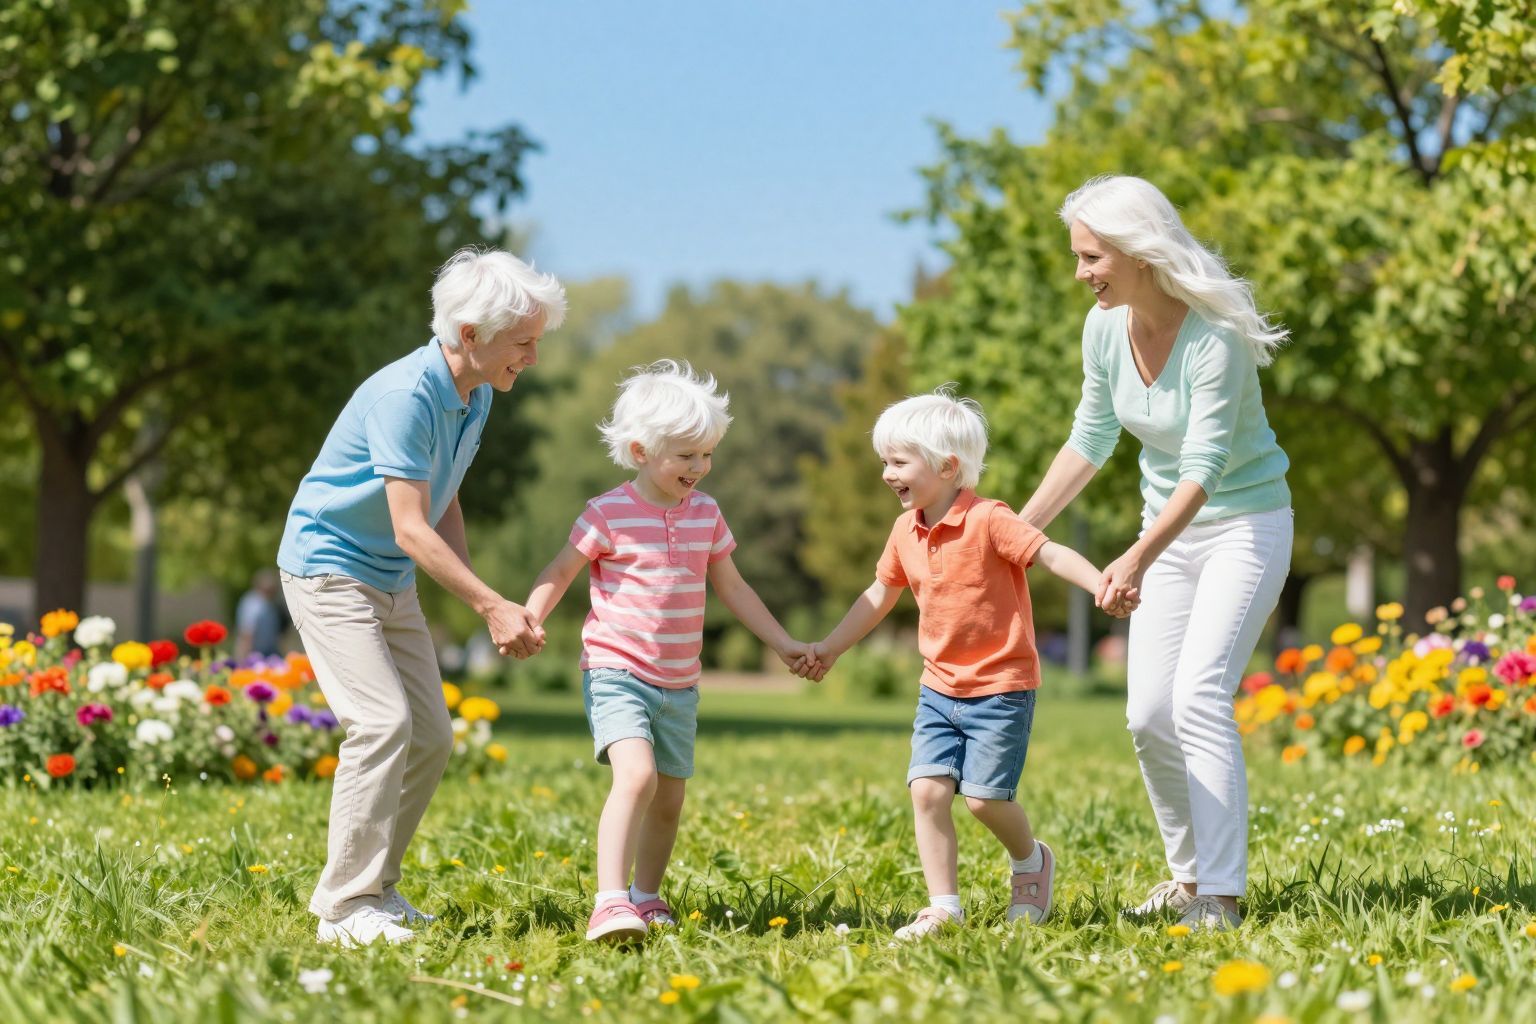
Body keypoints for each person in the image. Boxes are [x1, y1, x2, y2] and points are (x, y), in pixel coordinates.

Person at [1019, 175, 1293, 931]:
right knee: (1146, 714)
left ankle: (1222, 896)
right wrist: (1019, 530)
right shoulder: (1104, 328)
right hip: (1165, 533)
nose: (1081, 273)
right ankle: (1189, 877)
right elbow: (1092, 436)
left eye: (1091, 257)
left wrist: (1134, 556)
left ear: (1139, 252)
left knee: (1199, 697)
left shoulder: (1215, 337)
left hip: (1244, 525)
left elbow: (1203, 469)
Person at [277, 248, 566, 947]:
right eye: (522, 343)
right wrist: (491, 605)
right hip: (329, 568)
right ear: (469, 334)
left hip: (387, 576)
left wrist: (475, 591)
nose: (530, 357)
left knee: (432, 736)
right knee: (380, 725)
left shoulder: (476, 394)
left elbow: (444, 497)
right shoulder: (407, 395)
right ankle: (343, 909)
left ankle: (376, 887)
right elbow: (411, 527)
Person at [809, 389, 1130, 939]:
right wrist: (831, 648)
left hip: (1001, 686)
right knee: (927, 792)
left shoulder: (989, 520)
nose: (888, 474)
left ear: (947, 466)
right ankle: (943, 906)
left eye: (899, 462)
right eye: (885, 461)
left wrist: (1100, 581)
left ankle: (1031, 861)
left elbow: (1049, 553)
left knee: (984, 800)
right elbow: (879, 595)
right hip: (938, 687)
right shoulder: (903, 531)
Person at [523, 360, 817, 944]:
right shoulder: (608, 512)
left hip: (679, 681)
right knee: (636, 778)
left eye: (706, 455)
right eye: (686, 455)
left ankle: (646, 895)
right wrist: (529, 616)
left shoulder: (705, 513)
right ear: (639, 450)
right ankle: (609, 902)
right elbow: (561, 569)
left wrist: (783, 643)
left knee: (670, 796)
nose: (700, 468)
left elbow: (733, 586)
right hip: (617, 669)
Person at [234, 569, 287, 658]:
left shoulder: (269, 603)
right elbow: (247, 633)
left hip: (270, 651)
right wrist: (243, 658)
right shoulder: (253, 604)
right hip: (255, 653)